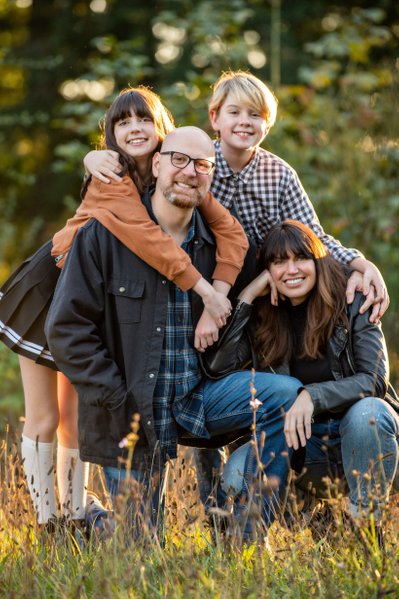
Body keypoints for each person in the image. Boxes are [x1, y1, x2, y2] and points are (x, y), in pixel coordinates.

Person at [84, 70, 390, 515]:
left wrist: (360, 262)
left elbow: (314, 237)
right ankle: (212, 507)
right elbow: (150, 175)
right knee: (205, 379)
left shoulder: (278, 173)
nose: (245, 122)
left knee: (248, 391)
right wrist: (94, 160)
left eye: (256, 115)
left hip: (265, 290)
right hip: (199, 288)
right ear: (215, 118)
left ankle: (252, 505)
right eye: (234, 112)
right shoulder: (196, 160)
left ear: (268, 124)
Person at [0, 87, 248, 529]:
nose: (135, 129)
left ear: (161, 128)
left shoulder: (170, 175)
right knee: (45, 414)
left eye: (144, 120)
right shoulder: (109, 177)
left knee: (77, 415)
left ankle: (74, 514)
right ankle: (46, 522)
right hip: (49, 289)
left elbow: (230, 230)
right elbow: (150, 241)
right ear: (111, 135)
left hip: (93, 299)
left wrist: (221, 292)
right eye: (122, 122)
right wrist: (205, 292)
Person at [45, 127, 303, 540]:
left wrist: (356, 268)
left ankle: (244, 537)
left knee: (285, 393)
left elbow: (303, 263)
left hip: (197, 398)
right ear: (159, 163)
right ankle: (94, 523)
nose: (190, 172)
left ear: (212, 175)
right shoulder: (103, 236)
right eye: (179, 159)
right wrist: (114, 396)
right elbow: (66, 329)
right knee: (142, 551)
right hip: (131, 410)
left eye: (202, 164)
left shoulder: (219, 247)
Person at [205, 219, 399, 537]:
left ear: (317, 261)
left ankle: (365, 531)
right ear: (268, 271)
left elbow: (374, 380)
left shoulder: (353, 299)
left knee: (369, 415)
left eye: (301, 258)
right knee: (238, 471)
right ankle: (321, 527)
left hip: (367, 442)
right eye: (279, 262)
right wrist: (250, 294)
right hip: (308, 448)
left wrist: (311, 395)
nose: (291, 270)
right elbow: (218, 367)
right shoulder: (263, 319)